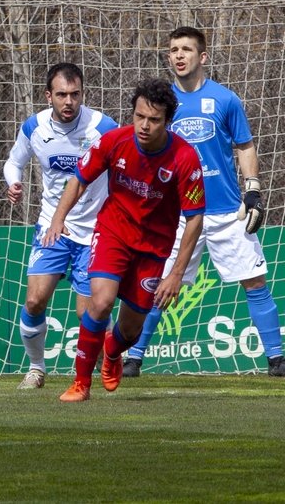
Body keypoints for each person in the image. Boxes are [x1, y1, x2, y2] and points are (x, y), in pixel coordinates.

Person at [123, 26, 283, 377]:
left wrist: (253, 189)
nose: (179, 56)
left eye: (186, 50)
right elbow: (145, 149)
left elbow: (244, 146)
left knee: (255, 281)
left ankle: (276, 358)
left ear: (202, 56)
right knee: (157, 285)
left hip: (226, 212)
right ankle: (133, 358)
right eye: (173, 50)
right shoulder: (161, 107)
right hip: (177, 215)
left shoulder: (226, 100)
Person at [42, 78, 205, 402]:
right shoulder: (114, 141)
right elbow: (79, 180)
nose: (144, 126)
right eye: (139, 116)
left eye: (154, 120)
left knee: (130, 331)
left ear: (167, 122)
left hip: (154, 249)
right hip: (112, 232)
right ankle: (81, 382)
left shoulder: (184, 158)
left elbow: (195, 218)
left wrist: (175, 273)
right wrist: (58, 219)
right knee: (100, 303)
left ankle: (113, 353)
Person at [3, 63, 118, 390]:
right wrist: (14, 182)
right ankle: (36, 369)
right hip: (52, 228)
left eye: (75, 94)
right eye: (62, 95)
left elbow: (127, 162)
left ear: (83, 94)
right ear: (48, 96)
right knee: (35, 301)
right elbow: (14, 162)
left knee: (88, 313)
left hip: (95, 232)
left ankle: (108, 352)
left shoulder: (103, 128)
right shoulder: (35, 128)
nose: (69, 102)